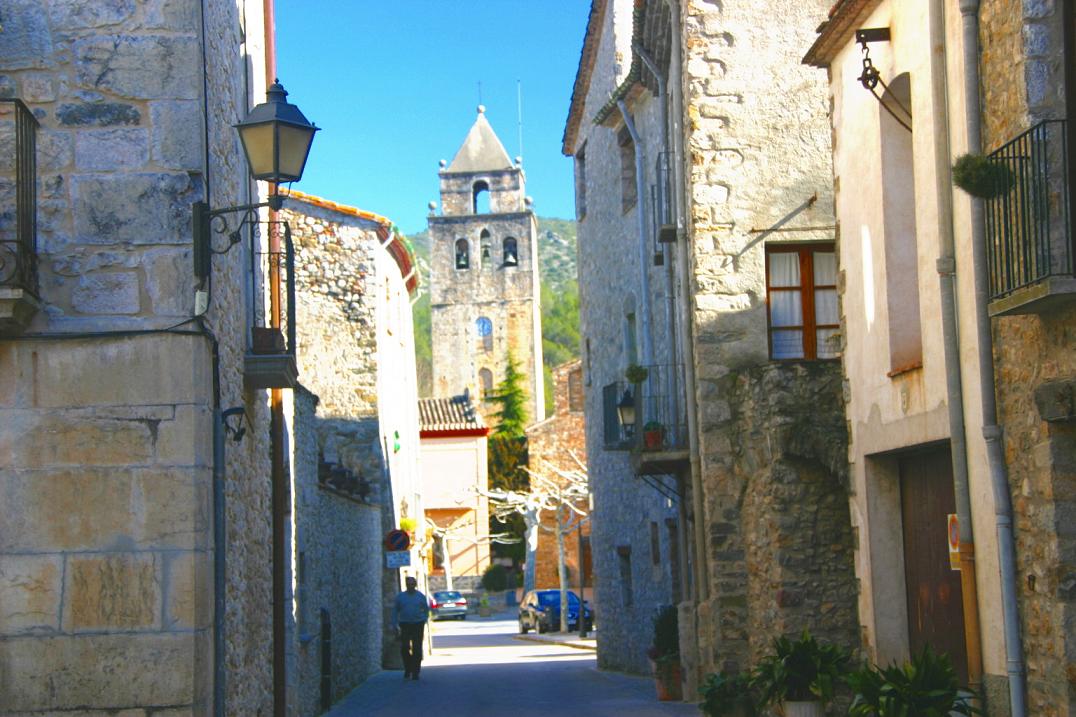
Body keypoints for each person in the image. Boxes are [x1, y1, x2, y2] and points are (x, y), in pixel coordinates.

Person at [391, 575, 430, 680]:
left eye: (412, 584)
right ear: (406, 585)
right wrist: (394, 624)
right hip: (405, 624)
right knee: (404, 648)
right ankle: (408, 668)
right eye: (409, 584)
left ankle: (416, 672)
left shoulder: (420, 596)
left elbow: (426, 609)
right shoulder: (400, 597)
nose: (411, 586)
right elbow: (395, 610)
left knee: (417, 648)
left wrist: (424, 619)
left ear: (415, 585)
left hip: (418, 624)